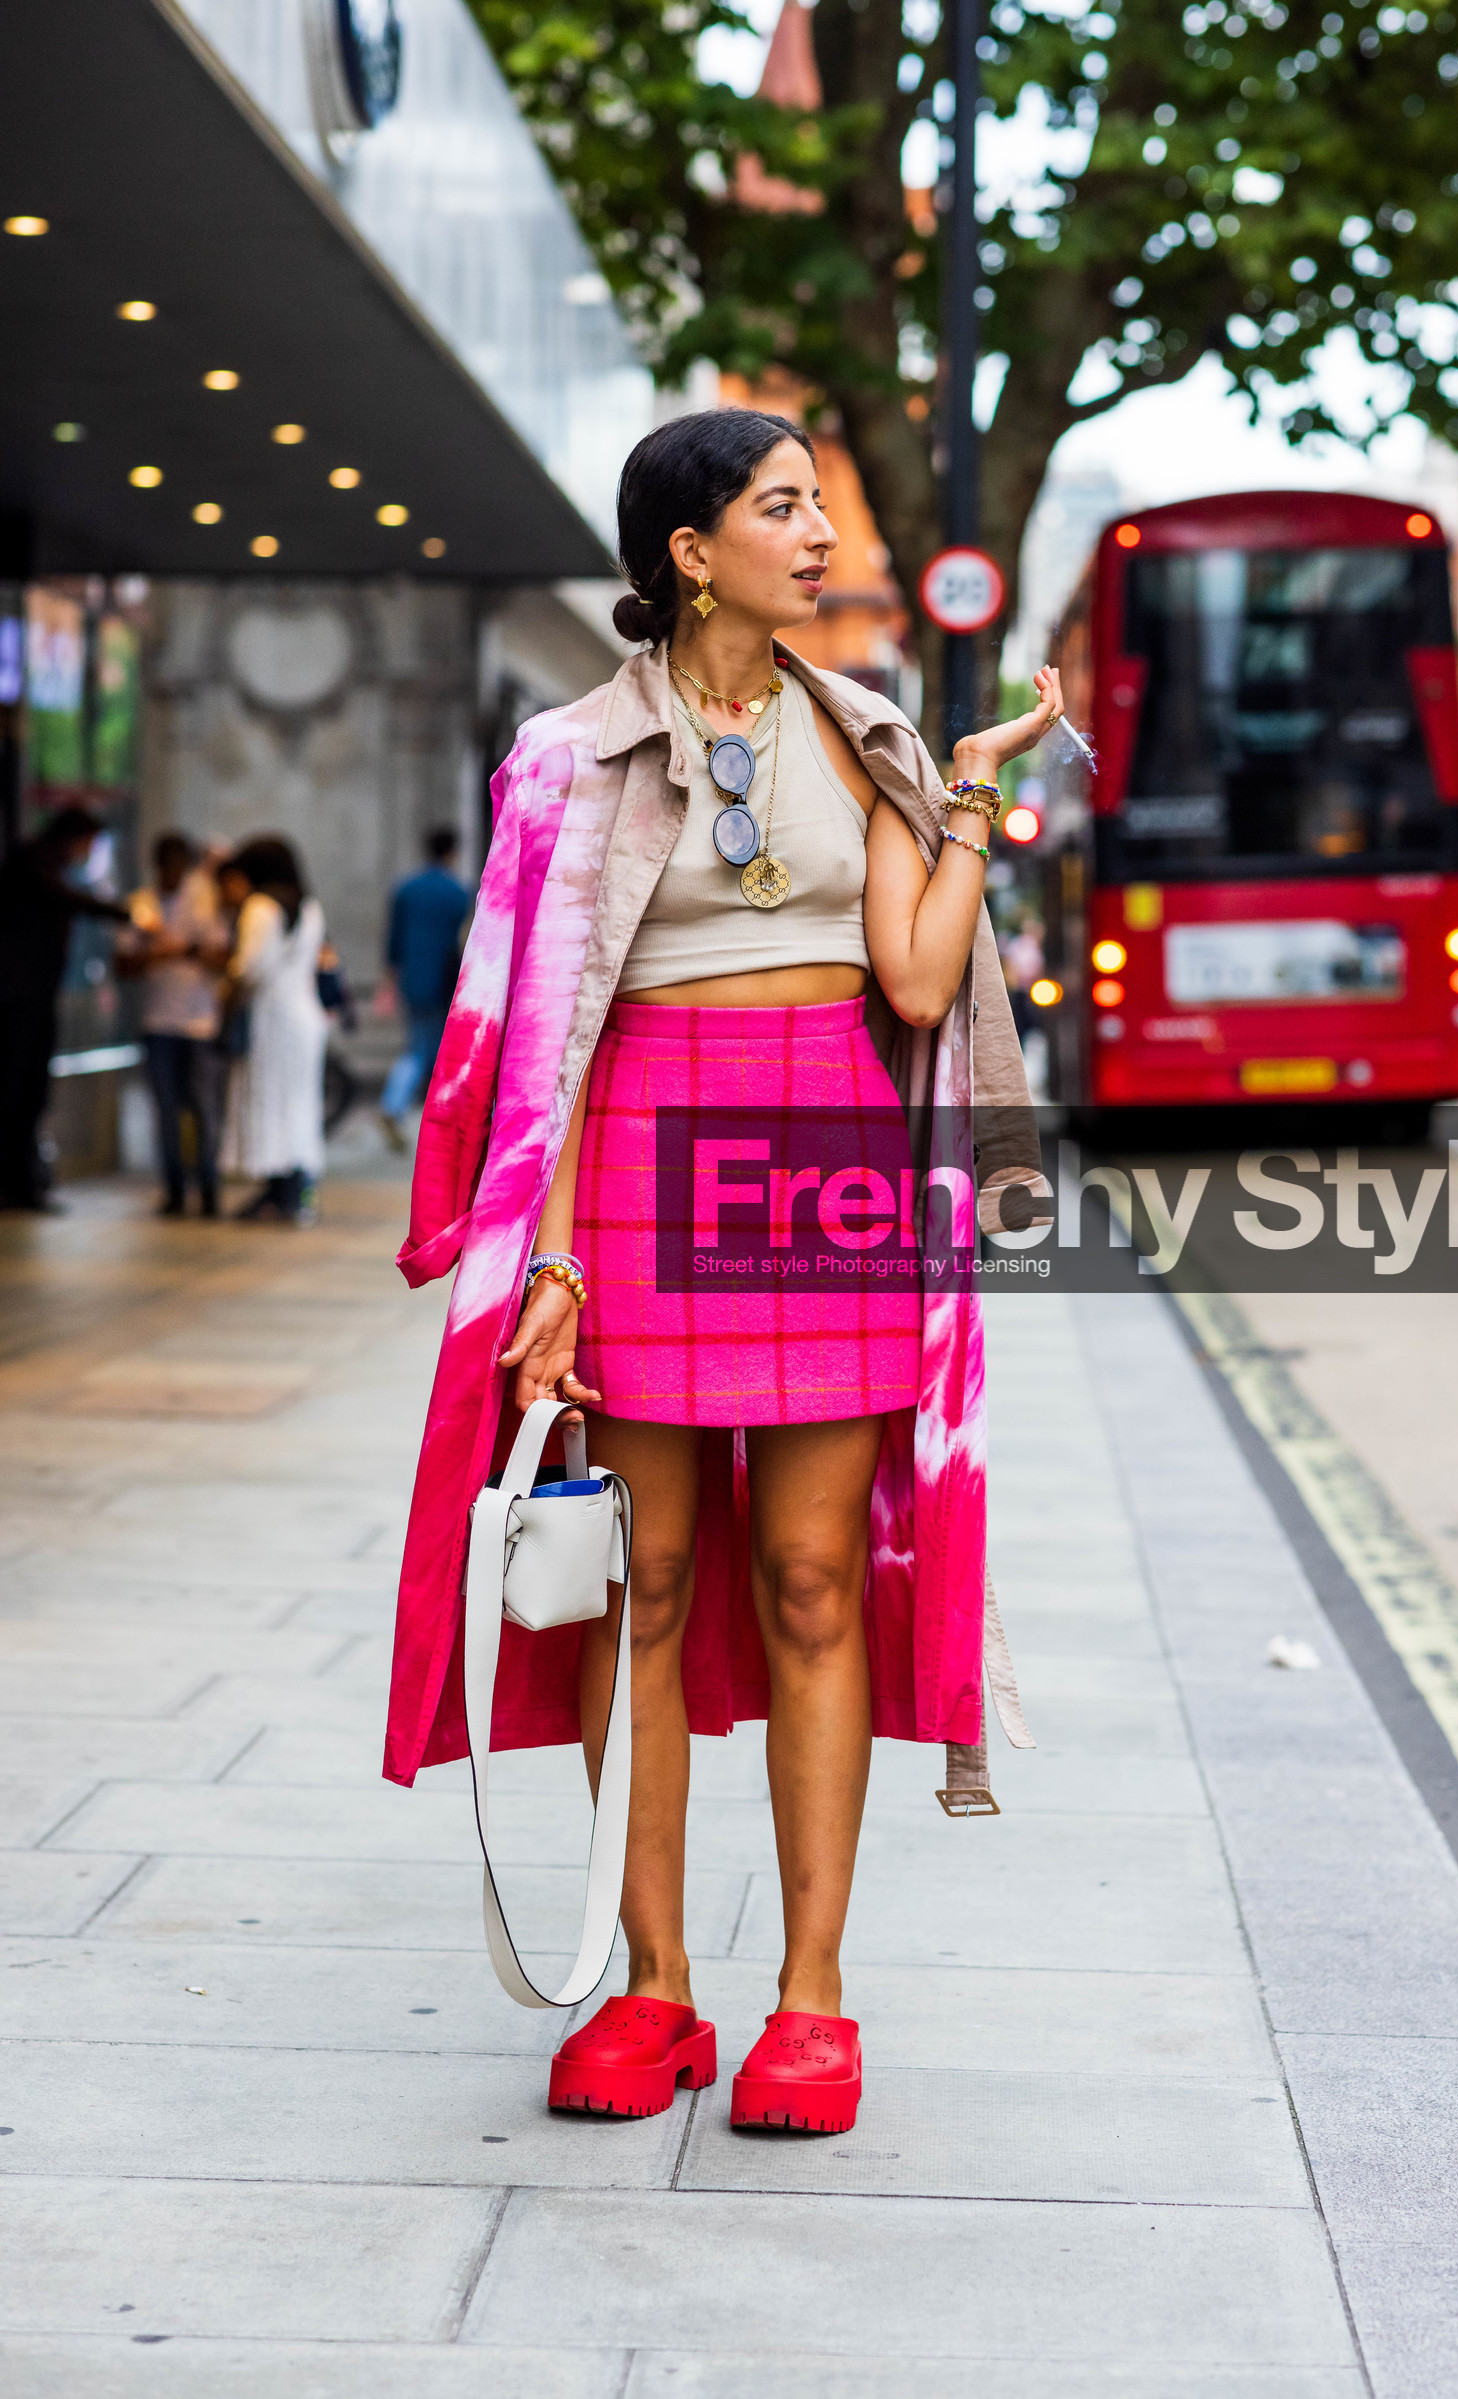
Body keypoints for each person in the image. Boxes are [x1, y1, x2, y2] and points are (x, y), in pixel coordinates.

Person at [385, 409, 1059, 2135]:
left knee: (818, 1574)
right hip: (627, 1172)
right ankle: (655, 1984)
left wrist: (971, 789)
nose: (821, 534)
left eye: (820, 506)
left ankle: (813, 1998)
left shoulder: (871, 734)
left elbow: (917, 980)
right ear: (692, 551)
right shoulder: (566, 755)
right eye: (785, 508)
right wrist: (545, 1258)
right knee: (648, 1584)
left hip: (824, 1160)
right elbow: (550, 1026)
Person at [0, 805, 130, 1212]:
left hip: (37, 996)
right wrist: (123, 913)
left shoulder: (49, 866)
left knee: (30, 1092)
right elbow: (62, 896)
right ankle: (15, 1183)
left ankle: (24, 1184)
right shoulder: (33, 860)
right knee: (14, 1089)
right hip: (18, 998)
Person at [219, 836, 328, 1226]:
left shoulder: (260, 906)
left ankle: (277, 1187)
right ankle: (292, 1188)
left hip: (273, 1019)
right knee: (298, 1104)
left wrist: (226, 983)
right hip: (305, 1015)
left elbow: (249, 968)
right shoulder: (309, 905)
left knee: (269, 1100)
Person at [121, 832, 229, 1217]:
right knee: (165, 1109)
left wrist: (183, 949)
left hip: (200, 1021)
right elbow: (124, 964)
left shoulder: (204, 902)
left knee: (202, 1108)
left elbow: (224, 956)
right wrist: (153, 955)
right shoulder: (142, 904)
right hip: (158, 1020)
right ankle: (175, 1190)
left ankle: (209, 1188)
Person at [376, 827, 469, 1149]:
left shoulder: (407, 888)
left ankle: (399, 1104)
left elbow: (393, 939)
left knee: (419, 1046)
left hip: (412, 980)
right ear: (452, 852)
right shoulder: (458, 892)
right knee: (426, 1050)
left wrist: (391, 978)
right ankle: (395, 1103)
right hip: (445, 981)